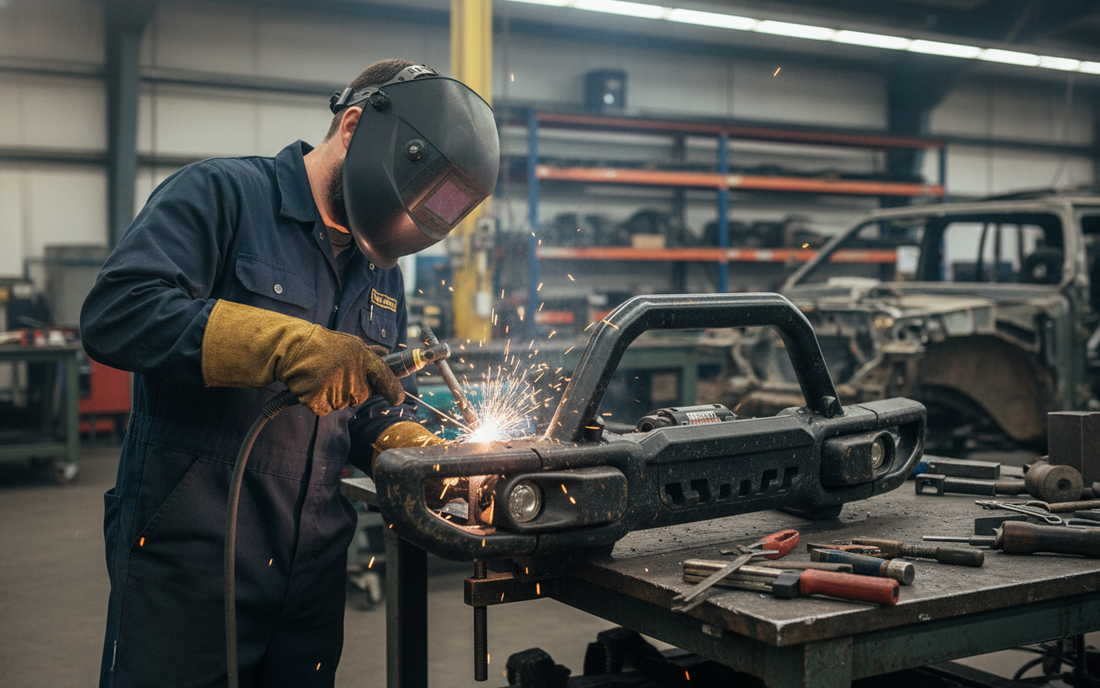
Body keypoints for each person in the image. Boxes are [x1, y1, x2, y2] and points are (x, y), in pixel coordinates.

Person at [80, 58, 499, 688]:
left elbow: (373, 396)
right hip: (192, 562)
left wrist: (414, 449)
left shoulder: (381, 268)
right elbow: (118, 312)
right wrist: (284, 344)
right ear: (354, 127)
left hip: (311, 573)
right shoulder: (219, 195)